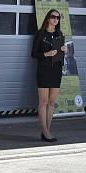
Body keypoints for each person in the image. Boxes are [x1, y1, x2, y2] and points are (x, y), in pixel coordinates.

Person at [31, 9, 66, 142]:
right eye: (53, 17)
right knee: (43, 102)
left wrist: (64, 51)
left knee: (52, 102)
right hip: (44, 70)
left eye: (58, 18)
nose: (56, 19)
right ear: (48, 18)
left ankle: (47, 130)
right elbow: (33, 54)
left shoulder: (59, 34)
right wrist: (46, 54)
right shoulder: (40, 34)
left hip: (56, 70)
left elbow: (60, 54)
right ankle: (45, 132)